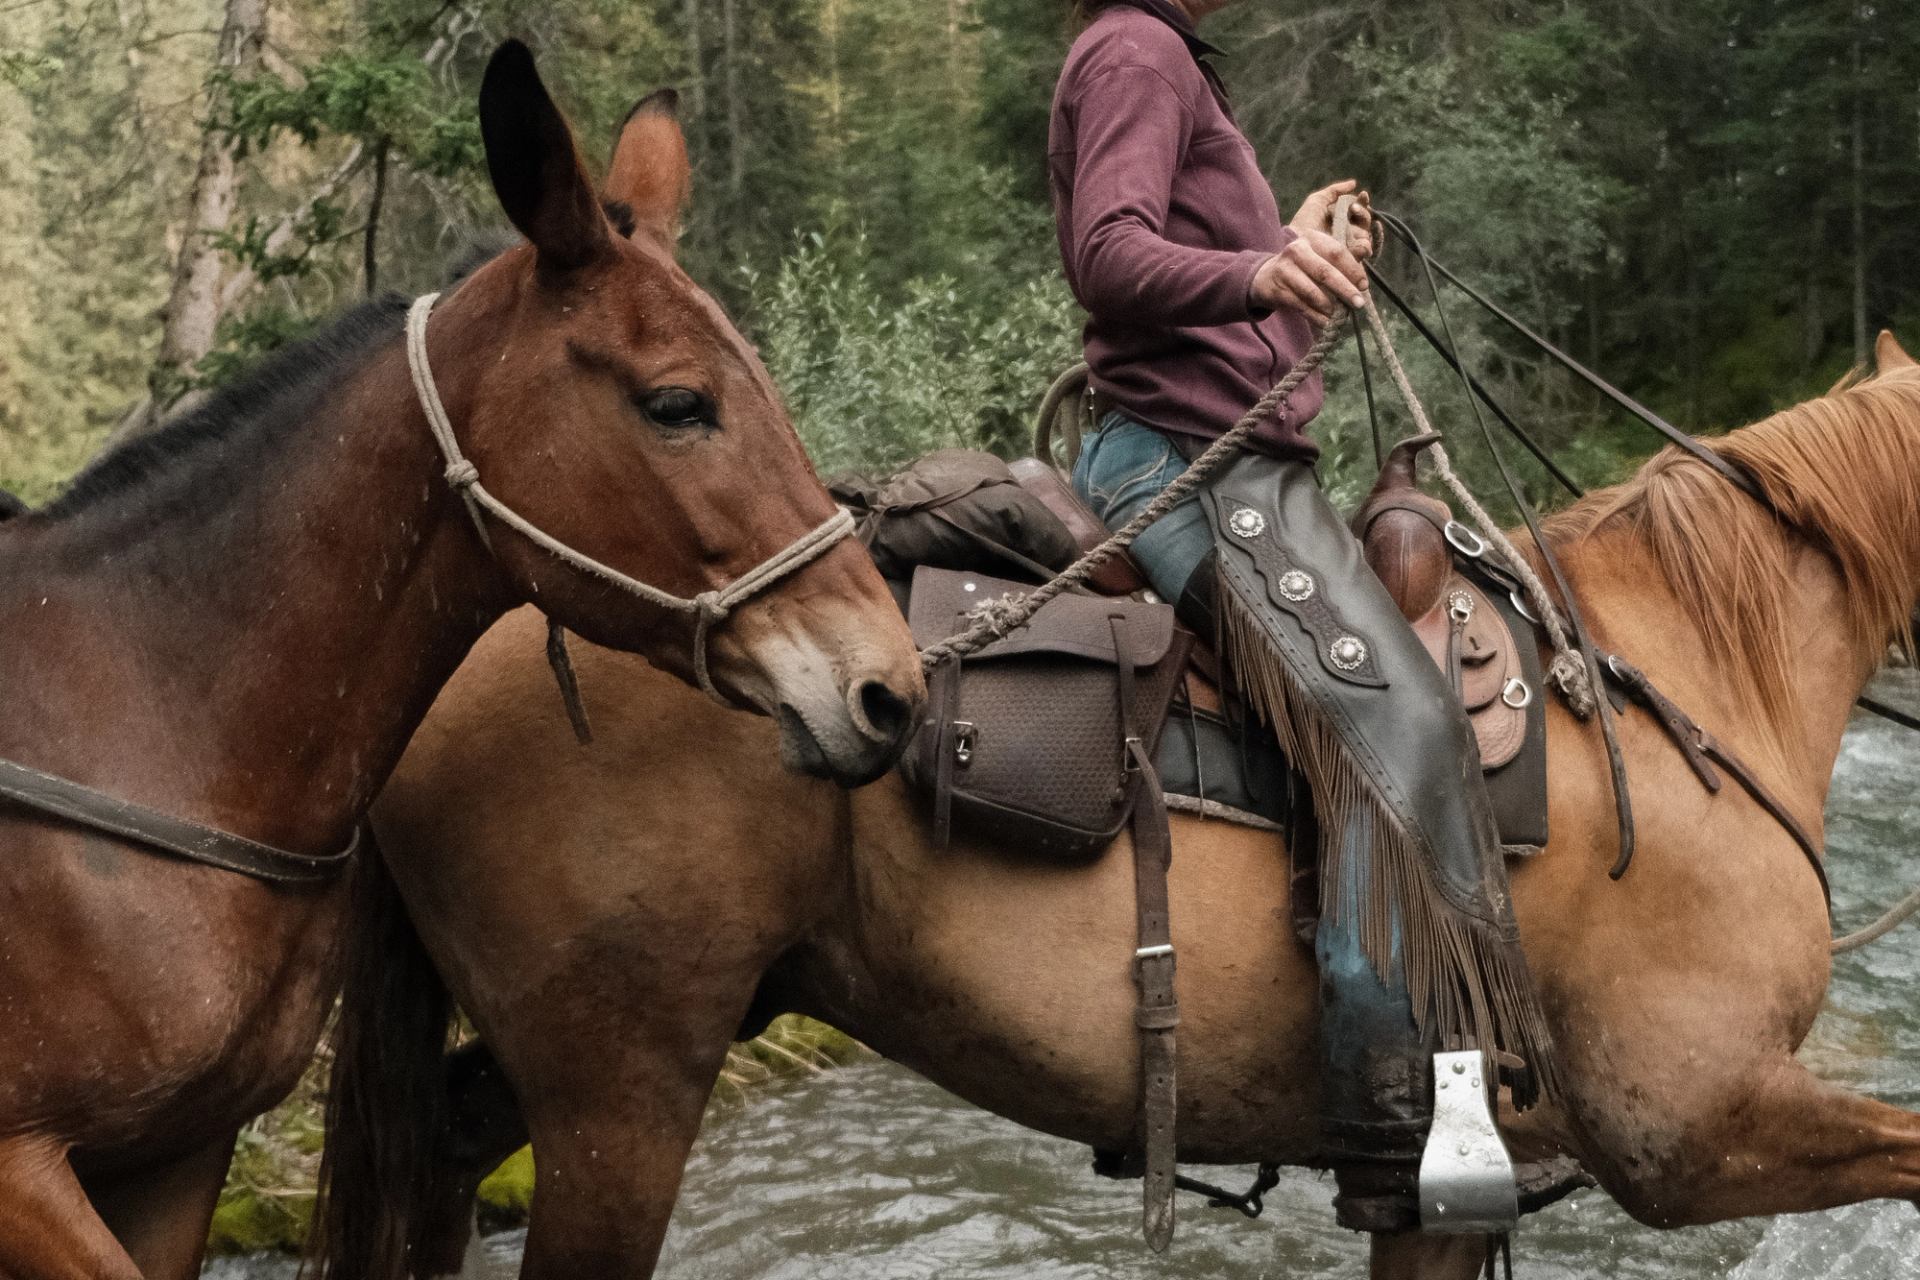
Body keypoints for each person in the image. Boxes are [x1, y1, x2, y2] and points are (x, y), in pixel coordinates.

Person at [1051, 0, 1553, 1234]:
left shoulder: (1168, 59)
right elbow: (1105, 252)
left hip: (1236, 471)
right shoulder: (1135, 47)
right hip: (1189, 473)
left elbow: (1196, 276)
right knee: (1407, 728)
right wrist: (1260, 266)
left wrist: (1289, 246)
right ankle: (1398, 1142)